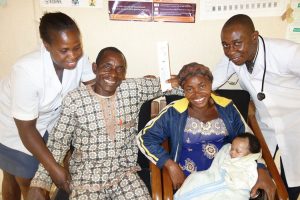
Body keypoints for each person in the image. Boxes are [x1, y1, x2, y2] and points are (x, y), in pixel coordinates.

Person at [28, 47, 180, 199]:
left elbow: (170, 85)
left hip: (124, 175)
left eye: (120, 69)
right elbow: (58, 142)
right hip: (86, 179)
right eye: (107, 66)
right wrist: (40, 182)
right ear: (95, 68)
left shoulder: (133, 89)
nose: (113, 74)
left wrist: (189, 81)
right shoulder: (75, 99)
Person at [137, 62, 274, 199]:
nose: (197, 94)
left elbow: (249, 140)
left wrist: (261, 168)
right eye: (189, 89)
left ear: (210, 84)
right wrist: (170, 165)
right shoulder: (174, 112)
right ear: (183, 90)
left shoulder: (227, 108)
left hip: (228, 174)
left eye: (202, 86)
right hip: (190, 179)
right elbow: (144, 138)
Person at [0, 12, 95, 200]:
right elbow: (26, 129)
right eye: (65, 50)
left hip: (46, 123)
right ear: (46, 45)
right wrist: (53, 168)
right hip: (12, 127)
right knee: (24, 179)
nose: (73, 56)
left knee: (23, 176)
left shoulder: (78, 59)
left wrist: (132, 85)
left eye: (77, 47)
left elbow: (95, 85)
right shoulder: (27, 71)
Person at [212, 14, 300, 200]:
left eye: (236, 43)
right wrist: (179, 81)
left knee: (293, 182)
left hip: (296, 125)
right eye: (225, 45)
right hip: (265, 124)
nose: (230, 51)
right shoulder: (233, 57)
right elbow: (210, 82)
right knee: (255, 176)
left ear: (254, 37)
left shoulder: (286, 52)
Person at [174, 132, 262, 200]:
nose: (232, 152)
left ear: (250, 155)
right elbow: (216, 166)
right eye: (232, 148)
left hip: (231, 192)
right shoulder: (226, 151)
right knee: (196, 178)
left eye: (238, 151)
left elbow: (246, 184)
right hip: (213, 177)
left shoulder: (249, 165)